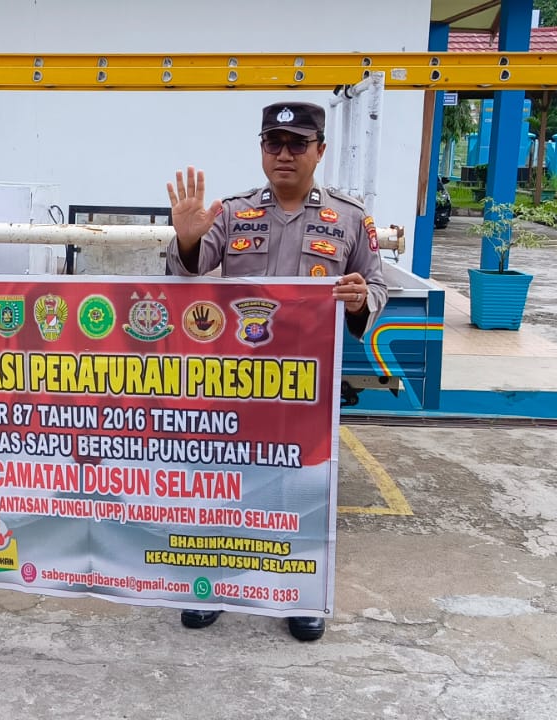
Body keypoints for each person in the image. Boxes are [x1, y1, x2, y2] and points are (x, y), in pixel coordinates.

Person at [164, 100, 389, 642]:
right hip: (238, 383)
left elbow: (377, 285)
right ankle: (214, 584)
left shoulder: (350, 218)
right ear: (262, 149)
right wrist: (188, 239)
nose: (284, 154)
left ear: (320, 150)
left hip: (308, 386)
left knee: (303, 487)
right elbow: (186, 272)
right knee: (228, 484)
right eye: (274, 143)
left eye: (297, 144)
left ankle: (301, 594)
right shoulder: (233, 212)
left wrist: (361, 299)